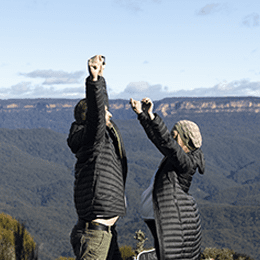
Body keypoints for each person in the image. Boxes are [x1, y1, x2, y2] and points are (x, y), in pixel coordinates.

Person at [67, 55, 127, 260]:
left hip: (104, 234)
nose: (110, 115)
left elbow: (100, 111)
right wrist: (93, 81)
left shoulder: (95, 138)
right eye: (105, 112)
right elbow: (97, 115)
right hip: (95, 235)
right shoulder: (93, 139)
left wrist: (101, 78)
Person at [130, 97, 205, 260]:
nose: (170, 137)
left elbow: (166, 143)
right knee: (163, 249)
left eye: (174, 135)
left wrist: (154, 118)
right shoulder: (179, 158)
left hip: (162, 214)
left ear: (184, 138)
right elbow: (158, 140)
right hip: (157, 213)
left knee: (164, 251)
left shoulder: (185, 162)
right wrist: (143, 115)